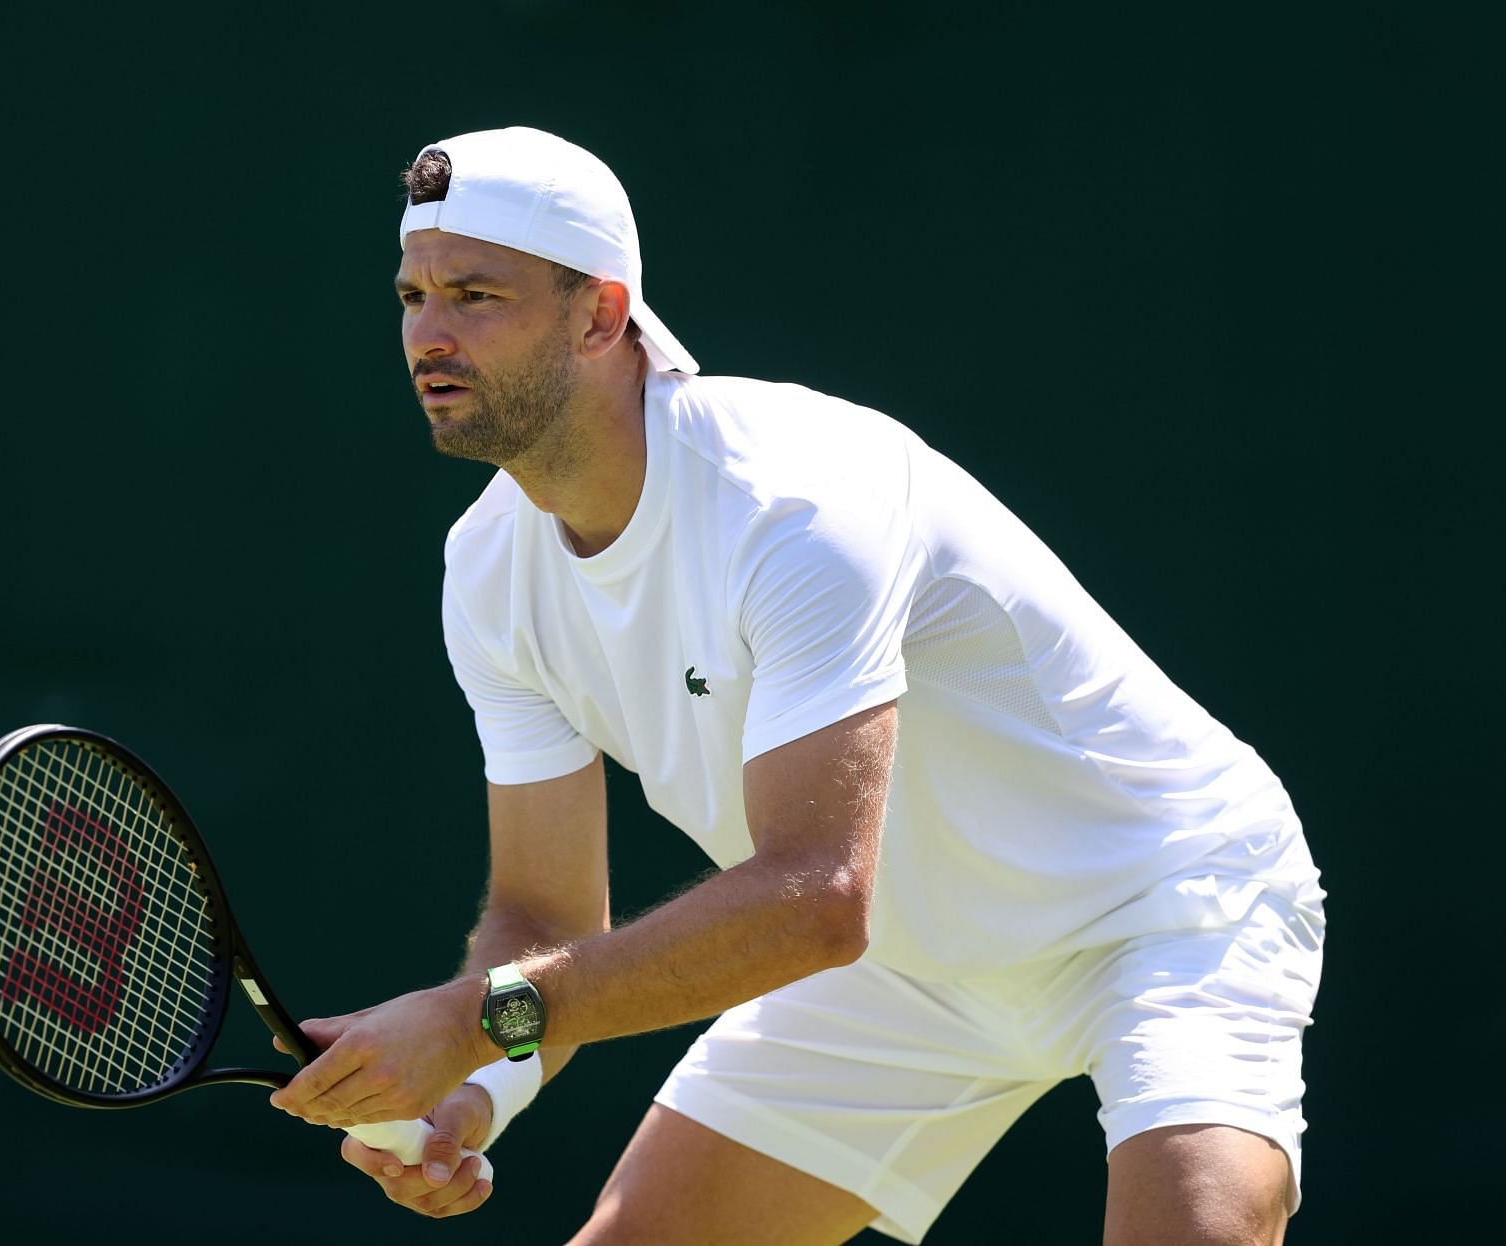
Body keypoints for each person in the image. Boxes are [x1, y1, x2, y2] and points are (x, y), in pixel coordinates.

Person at [266, 126, 1326, 1245]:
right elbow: (545, 919)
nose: (429, 334)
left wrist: (478, 1023)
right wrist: (477, 1091)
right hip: (903, 970)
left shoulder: (796, 506)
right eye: (412, 294)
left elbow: (815, 898)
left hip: (1158, 903)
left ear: (597, 314)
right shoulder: (487, 573)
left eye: (476, 294)